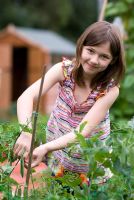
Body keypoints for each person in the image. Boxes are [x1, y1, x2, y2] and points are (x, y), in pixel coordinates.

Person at [14, 21, 125, 185]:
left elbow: (83, 130)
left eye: (104, 56)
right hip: (59, 155)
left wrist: (45, 147)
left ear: (113, 60)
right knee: (58, 190)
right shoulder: (63, 71)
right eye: (91, 51)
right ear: (81, 47)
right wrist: (26, 131)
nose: (94, 60)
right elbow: (26, 97)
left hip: (91, 164)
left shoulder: (110, 89)